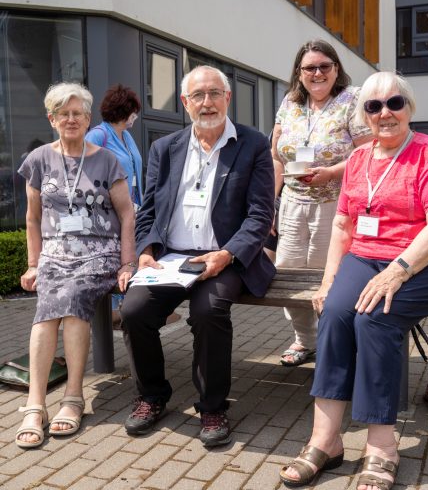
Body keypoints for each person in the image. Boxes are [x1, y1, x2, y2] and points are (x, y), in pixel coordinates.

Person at [279, 71, 428, 489]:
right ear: (363, 114)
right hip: (366, 257)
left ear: (409, 108)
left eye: (394, 103)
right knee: (334, 316)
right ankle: (325, 442)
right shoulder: (360, 159)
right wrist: (328, 283)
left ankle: (381, 447)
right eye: (373, 106)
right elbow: (343, 226)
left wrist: (397, 272)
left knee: (374, 318)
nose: (384, 113)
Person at [120, 65, 275, 447]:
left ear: (228, 98)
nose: (207, 103)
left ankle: (212, 406)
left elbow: (260, 214)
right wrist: (146, 253)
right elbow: (149, 212)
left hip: (224, 255)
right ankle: (153, 396)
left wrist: (227, 254)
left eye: (214, 94)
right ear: (186, 103)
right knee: (134, 312)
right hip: (171, 258)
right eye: (198, 96)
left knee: (208, 313)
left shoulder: (253, 144)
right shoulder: (164, 148)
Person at [14, 82, 136, 449]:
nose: (71, 119)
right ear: (52, 119)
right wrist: (34, 264)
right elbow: (33, 219)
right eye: (63, 113)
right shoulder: (37, 160)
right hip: (54, 253)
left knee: (69, 299)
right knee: (46, 311)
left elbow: (127, 213)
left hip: (99, 252)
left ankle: (73, 396)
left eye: (78, 113)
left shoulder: (107, 159)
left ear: (87, 119)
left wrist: (127, 261)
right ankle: (36, 402)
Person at [272, 39, 371, 366]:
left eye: (323, 66)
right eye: (309, 67)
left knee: (326, 278)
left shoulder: (352, 100)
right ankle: (306, 340)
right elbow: (275, 155)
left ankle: (335, 343)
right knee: (286, 276)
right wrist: (269, 202)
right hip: (292, 204)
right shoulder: (289, 102)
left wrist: (330, 173)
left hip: (336, 205)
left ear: (336, 68)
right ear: (299, 73)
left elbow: (368, 152)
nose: (317, 73)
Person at [85, 84, 143, 326]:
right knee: (113, 259)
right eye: (134, 112)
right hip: (109, 212)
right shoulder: (99, 135)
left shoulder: (126, 136)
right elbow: (85, 172)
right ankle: (105, 315)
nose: (135, 118)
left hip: (133, 208)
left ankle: (123, 307)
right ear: (126, 111)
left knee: (129, 258)